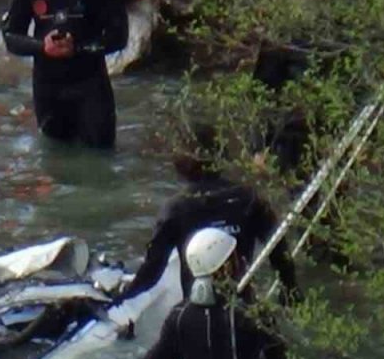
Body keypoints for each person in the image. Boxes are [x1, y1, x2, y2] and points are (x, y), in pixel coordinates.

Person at [115, 128, 301, 306]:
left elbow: (152, 271)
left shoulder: (176, 209)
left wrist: (123, 295)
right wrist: (289, 289)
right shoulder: (248, 199)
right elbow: (279, 251)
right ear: (220, 156)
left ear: (180, 163)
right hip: (242, 304)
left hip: (197, 309)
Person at [141, 228, 290, 359]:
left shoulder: (179, 316)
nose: (242, 261)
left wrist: (184, 348)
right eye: (235, 257)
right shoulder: (253, 313)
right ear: (227, 267)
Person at [0, 0, 130, 150]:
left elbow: (119, 37)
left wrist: (77, 49)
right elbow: (11, 36)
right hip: (48, 86)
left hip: (90, 83)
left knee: (101, 152)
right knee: (55, 154)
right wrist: (43, 47)